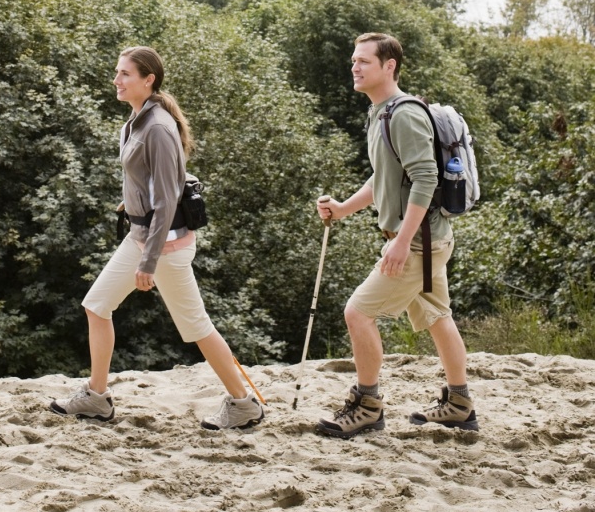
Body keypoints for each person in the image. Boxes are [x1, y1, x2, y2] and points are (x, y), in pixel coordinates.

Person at [49, 45, 264, 431]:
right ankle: (97, 398)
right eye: (117, 72)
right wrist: (130, 203)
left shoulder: (159, 127)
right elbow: (146, 183)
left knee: (195, 326)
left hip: (164, 246)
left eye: (125, 74)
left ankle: (243, 403)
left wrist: (148, 261)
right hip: (143, 236)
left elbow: (167, 200)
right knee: (97, 305)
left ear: (148, 80)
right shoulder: (136, 121)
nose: (116, 80)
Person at [315, 32, 478, 437]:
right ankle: (459, 404)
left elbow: (425, 179)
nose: (355, 67)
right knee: (438, 317)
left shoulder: (402, 114)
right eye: (354, 60)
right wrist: (342, 210)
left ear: (389, 66)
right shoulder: (380, 113)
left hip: (419, 241)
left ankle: (367, 405)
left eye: (364, 61)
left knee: (358, 313)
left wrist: (401, 244)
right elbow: (385, 177)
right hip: (429, 238)